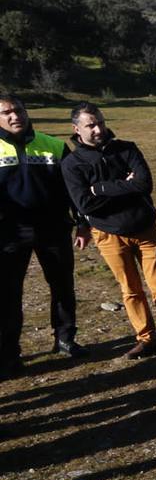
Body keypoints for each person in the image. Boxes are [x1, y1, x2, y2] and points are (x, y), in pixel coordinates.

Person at [61, 102, 156, 361]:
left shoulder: (126, 149)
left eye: (100, 122)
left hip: (145, 229)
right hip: (108, 234)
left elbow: (144, 183)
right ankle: (146, 339)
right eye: (90, 125)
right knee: (130, 289)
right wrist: (124, 186)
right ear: (76, 128)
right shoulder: (72, 164)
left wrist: (99, 188)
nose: (98, 129)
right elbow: (84, 203)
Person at [0, 92, 88, 375]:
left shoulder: (52, 146)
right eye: (7, 112)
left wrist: (82, 222)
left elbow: (74, 189)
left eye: (19, 110)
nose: (16, 116)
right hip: (9, 235)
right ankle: (9, 353)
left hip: (53, 230)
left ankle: (65, 338)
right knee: (8, 295)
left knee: (62, 286)